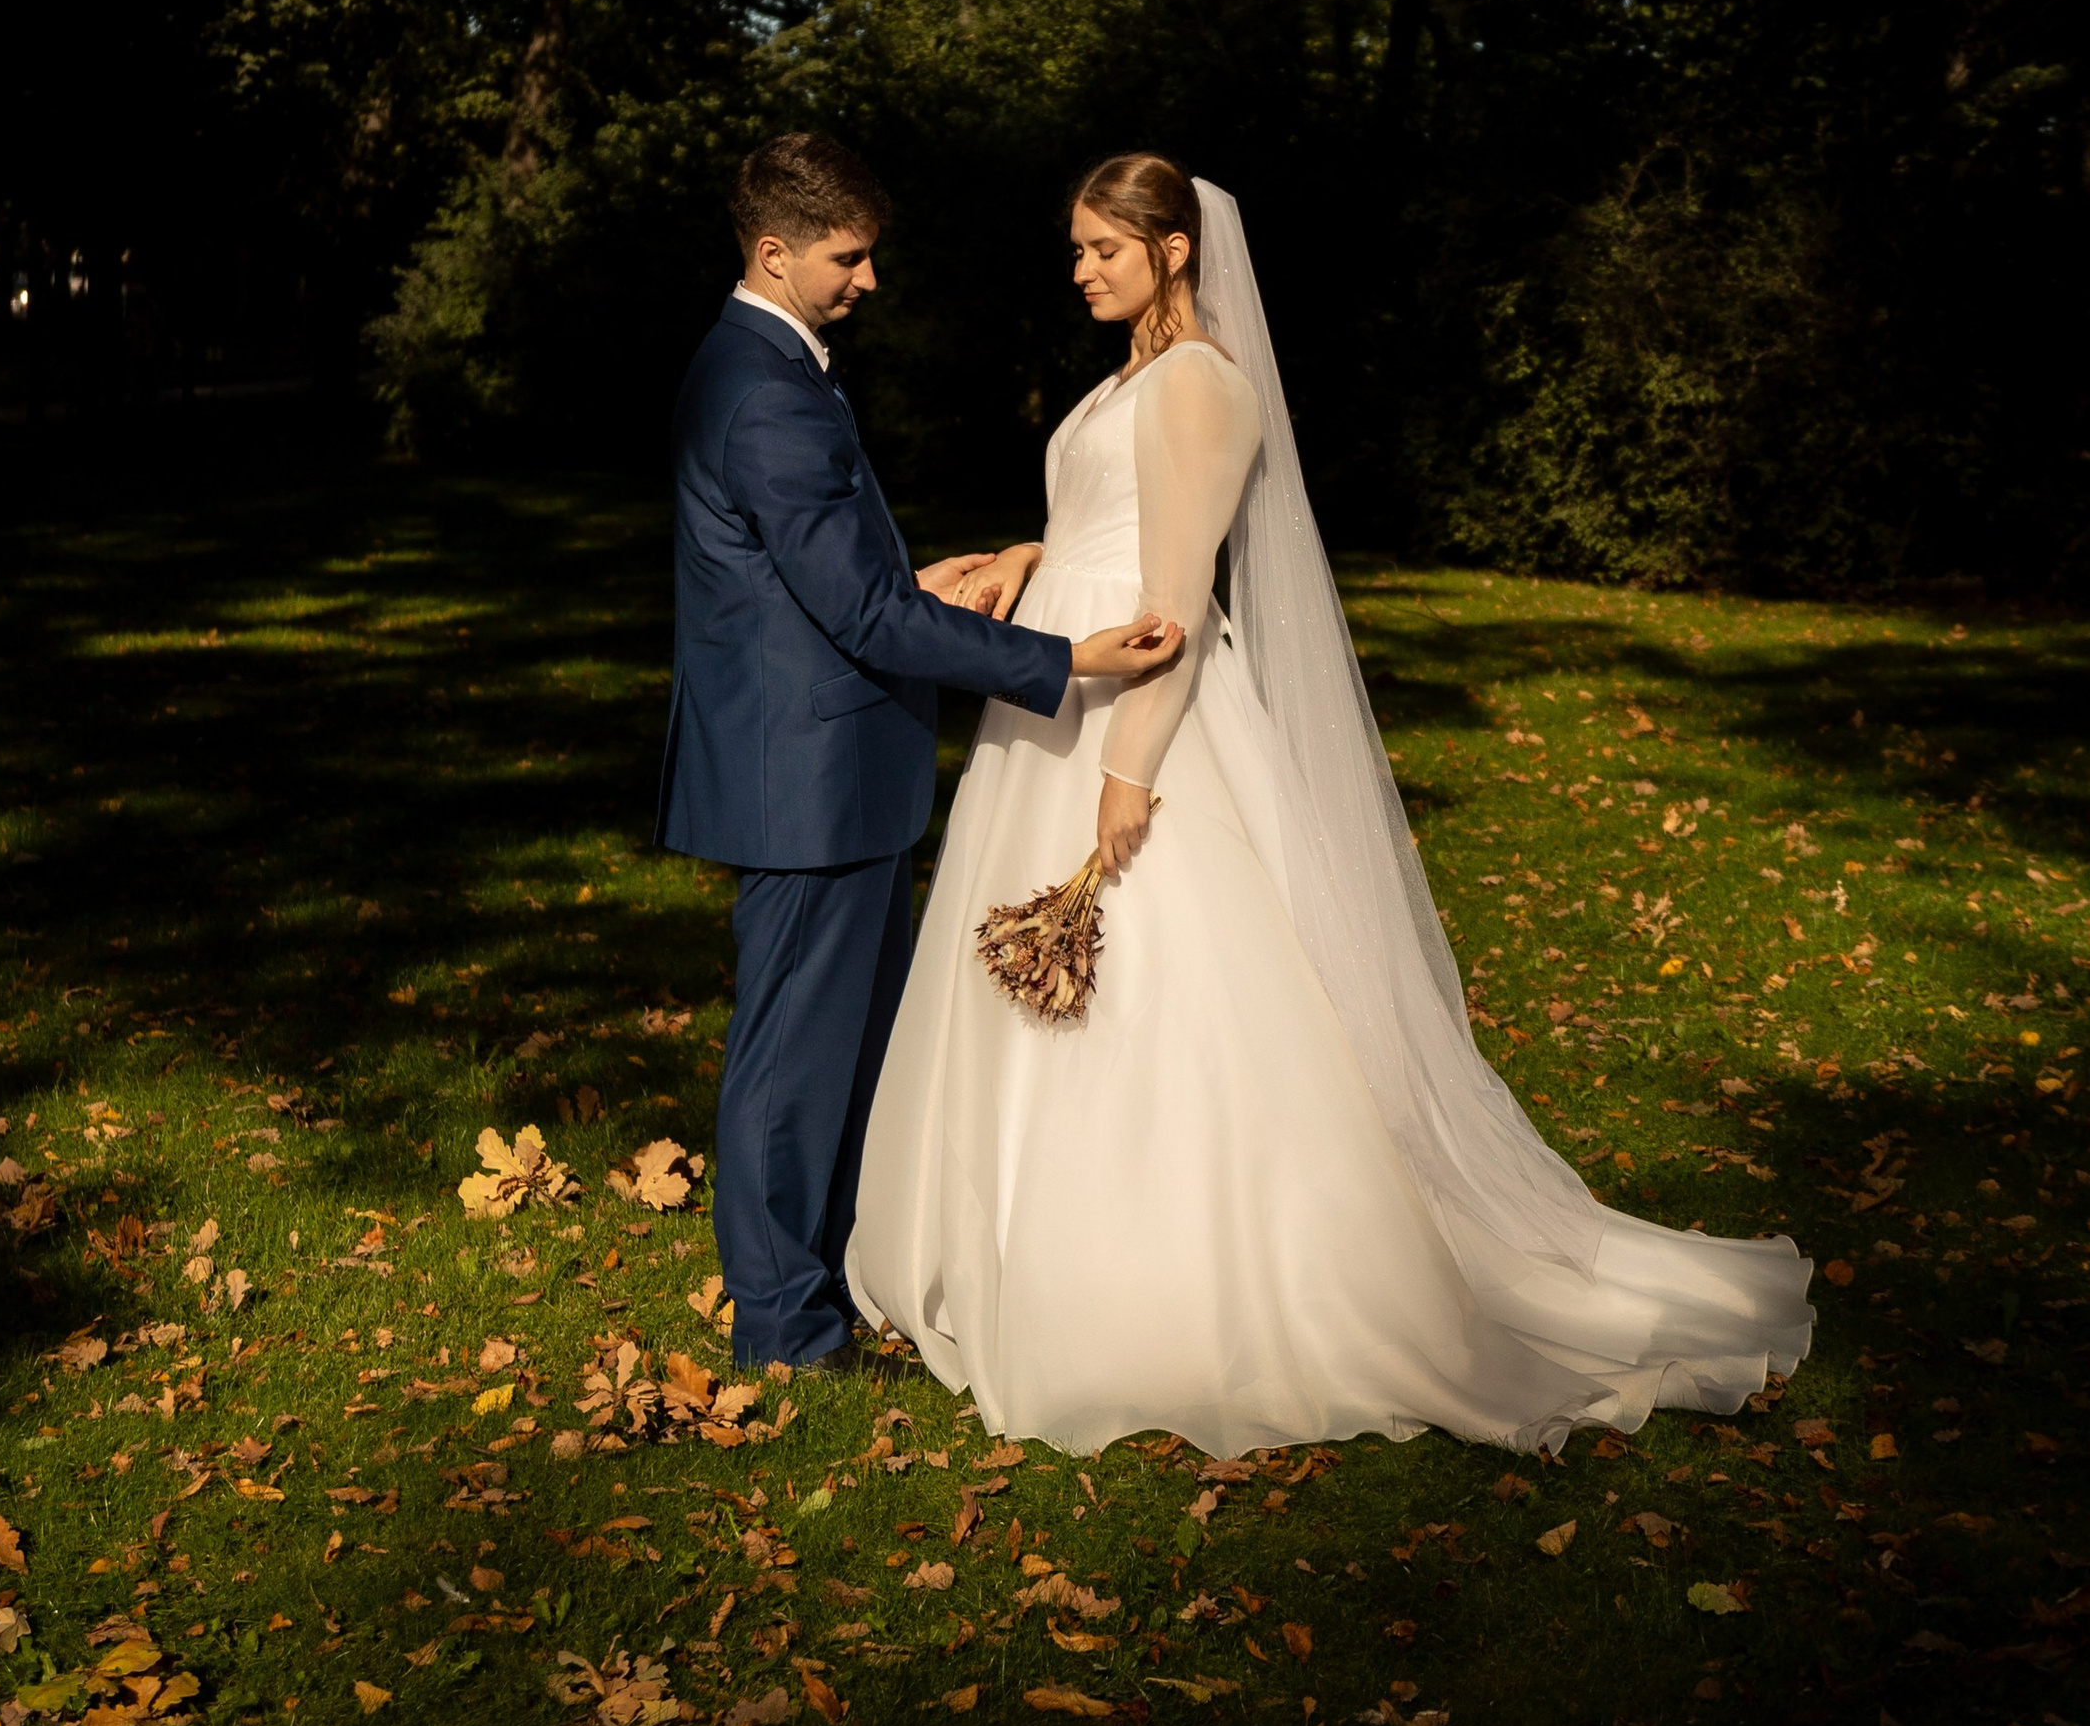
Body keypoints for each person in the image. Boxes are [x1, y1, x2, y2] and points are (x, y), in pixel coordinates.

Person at [848, 154, 1814, 1454]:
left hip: (1138, 713)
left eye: (1102, 249)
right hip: (1051, 698)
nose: (1079, 267)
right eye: (1075, 249)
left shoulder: (1200, 386)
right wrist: (1026, 555)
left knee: (1163, 992)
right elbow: (1106, 525)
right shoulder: (1127, 378)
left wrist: (1130, 777)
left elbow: (1176, 600)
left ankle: (1157, 1280)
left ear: (1174, 250)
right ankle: (1005, 1242)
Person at [656, 132, 1183, 1377]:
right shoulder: (766, 388)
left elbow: (828, 581)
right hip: (806, 784)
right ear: (775, 253)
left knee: (838, 1047)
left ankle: (829, 1280)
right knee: (793, 1060)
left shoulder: (767, 363)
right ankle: (784, 1330)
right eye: (849, 258)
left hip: (824, 765)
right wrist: (1069, 664)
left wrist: (908, 579)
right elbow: (858, 618)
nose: (868, 280)